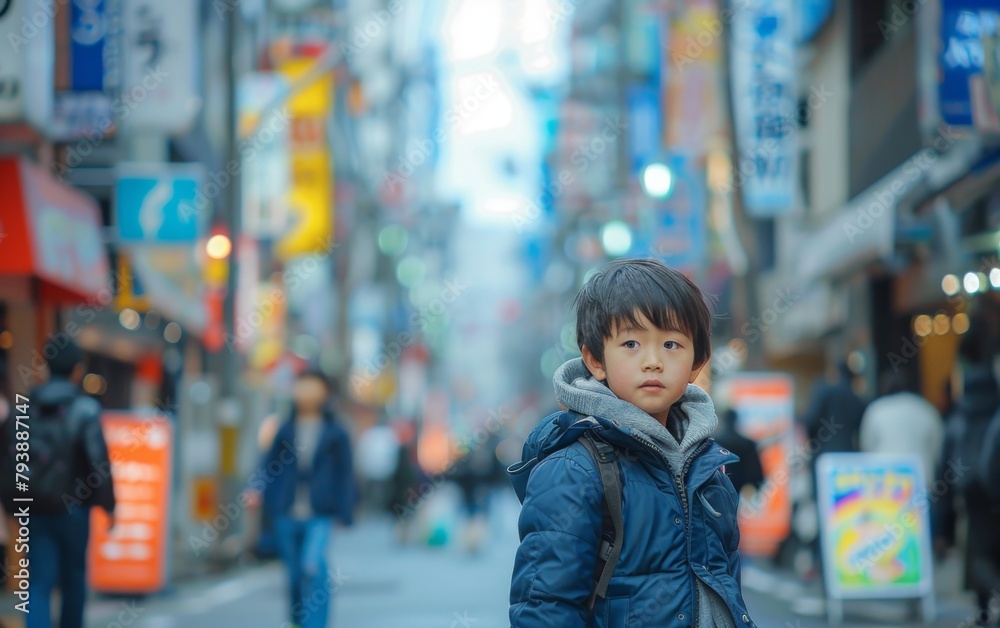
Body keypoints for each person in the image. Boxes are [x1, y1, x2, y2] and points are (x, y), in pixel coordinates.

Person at [508, 258, 755, 627]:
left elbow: (726, 588)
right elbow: (545, 606)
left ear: (697, 361)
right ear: (595, 359)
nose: (653, 361)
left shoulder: (707, 470)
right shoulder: (573, 470)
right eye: (631, 343)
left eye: (671, 343)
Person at [0, 339, 115, 628]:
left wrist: (10, 506)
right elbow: (97, 462)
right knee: (74, 581)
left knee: (37, 582)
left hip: (34, 508)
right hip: (74, 509)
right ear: (77, 370)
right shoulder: (85, 409)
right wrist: (109, 506)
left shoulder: (24, 408)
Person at [245, 370, 355, 628]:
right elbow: (267, 464)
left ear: (324, 393)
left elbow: (346, 474)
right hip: (285, 510)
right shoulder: (285, 428)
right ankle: (297, 621)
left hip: (321, 511)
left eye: (312, 387)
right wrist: (256, 488)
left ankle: (315, 624)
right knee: (294, 574)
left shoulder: (337, 432)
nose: (305, 392)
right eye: (301, 386)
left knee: (312, 566)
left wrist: (345, 512)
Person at [935, 322, 1000, 627]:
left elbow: (944, 468)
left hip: (971, 493)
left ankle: (984, 607)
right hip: (994, 487)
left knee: (978, 549)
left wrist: (943, 527)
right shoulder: (996, 411)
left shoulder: (958, 419)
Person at [859, 370, 943, 487]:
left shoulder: (876, 410)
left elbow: (866, 449)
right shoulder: (927, 409)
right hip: (921, 481)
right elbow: (938, 451)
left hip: (885, 484)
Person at [714, 408, 765, 496]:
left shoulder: (715, 443)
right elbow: (755, 472)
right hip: (741, 490)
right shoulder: (747, 444)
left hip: (718, 490)